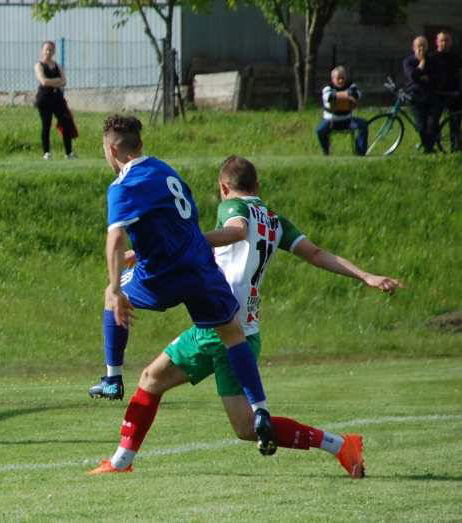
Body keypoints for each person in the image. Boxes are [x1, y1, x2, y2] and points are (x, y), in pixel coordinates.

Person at [89, 155, 402, 476]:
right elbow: (317, 254)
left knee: (164, 386)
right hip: (244, 327)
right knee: (172, 390)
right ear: (258, 185)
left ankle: (339, 445)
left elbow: (236, 231)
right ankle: (121, 461)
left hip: (220, 326)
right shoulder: (274, 219)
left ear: (224, 187)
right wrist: (365, 275)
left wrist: (186, 245)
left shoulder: (232, 208)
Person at [88, 115, 277, 456]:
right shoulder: (165, 170)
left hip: (161, 275)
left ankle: (112, 377)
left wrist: (117, 288)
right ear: (140, 145)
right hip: (201, 269)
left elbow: (114, 237)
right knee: (233, 334)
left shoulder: (123, 184)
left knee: (110, 294)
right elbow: (183, 219)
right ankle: (260, 407)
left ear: (113, 149)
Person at [34, 40, 77, 160]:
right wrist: (57, 81)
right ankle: (46, 152)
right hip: (44, 99)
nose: (48, 52)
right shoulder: (39, 65)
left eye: (51, 50)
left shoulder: (57, 65)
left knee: (66, 123)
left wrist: (55, 82)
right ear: (42, 51)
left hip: (58, 98)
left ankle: (69, 153)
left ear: (54, 51)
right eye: (46, 49)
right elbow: (43, 81)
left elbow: (64, 81)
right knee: (46, 125)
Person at [316, 66, 368, 155]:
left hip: (348, 120)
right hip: (331, 122)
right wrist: (348, 95)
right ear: (332, 79)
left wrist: (341, 95)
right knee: (320, 130)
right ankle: (326, 151)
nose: (341, 81)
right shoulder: (327, 88)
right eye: (338, 78)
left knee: (363, 125)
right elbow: (329, 97)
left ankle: (360, 152)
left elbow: (357, 94)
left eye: (342, 78)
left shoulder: (351, 85)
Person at [403, 35, 442, 153]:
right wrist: (422, 63)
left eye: (424, 46)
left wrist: (427, 78)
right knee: (421, 126)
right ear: (413, 47)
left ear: (427, 47)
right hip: (415, 96)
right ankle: (429, 148)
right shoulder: (408, 61)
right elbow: (413, 76)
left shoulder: (433, 60)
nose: (421, 49)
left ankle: (429, 149)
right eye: (419, 46)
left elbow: (438, 77)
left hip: (431, 95)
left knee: (432, 123)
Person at [433, 30, 461, 152]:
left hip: (454, 94)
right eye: (442, 40)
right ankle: (431, 146)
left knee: (455, 122)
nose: (444, 43)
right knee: (433, 121)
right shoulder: (431, 57)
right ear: (437, 42)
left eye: (447, 40)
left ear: (450, 42)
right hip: (437, 94)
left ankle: (456, 147)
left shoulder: (456, 57)